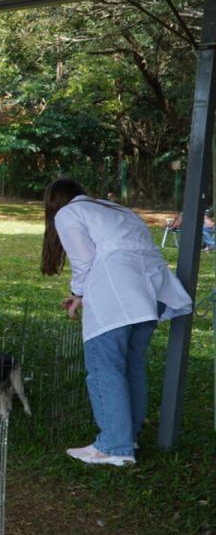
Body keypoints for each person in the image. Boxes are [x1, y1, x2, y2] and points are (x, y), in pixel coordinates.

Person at [40, 177, 191, 466]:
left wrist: (77, 293)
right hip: (151, 291)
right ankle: (127, 436)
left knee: (104, 367)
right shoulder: (113, 208)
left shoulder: (69, 213)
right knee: (131, 365)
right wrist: (81, 295)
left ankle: (114, 446)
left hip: (118, 293)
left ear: (53, 201)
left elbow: (84, 261)